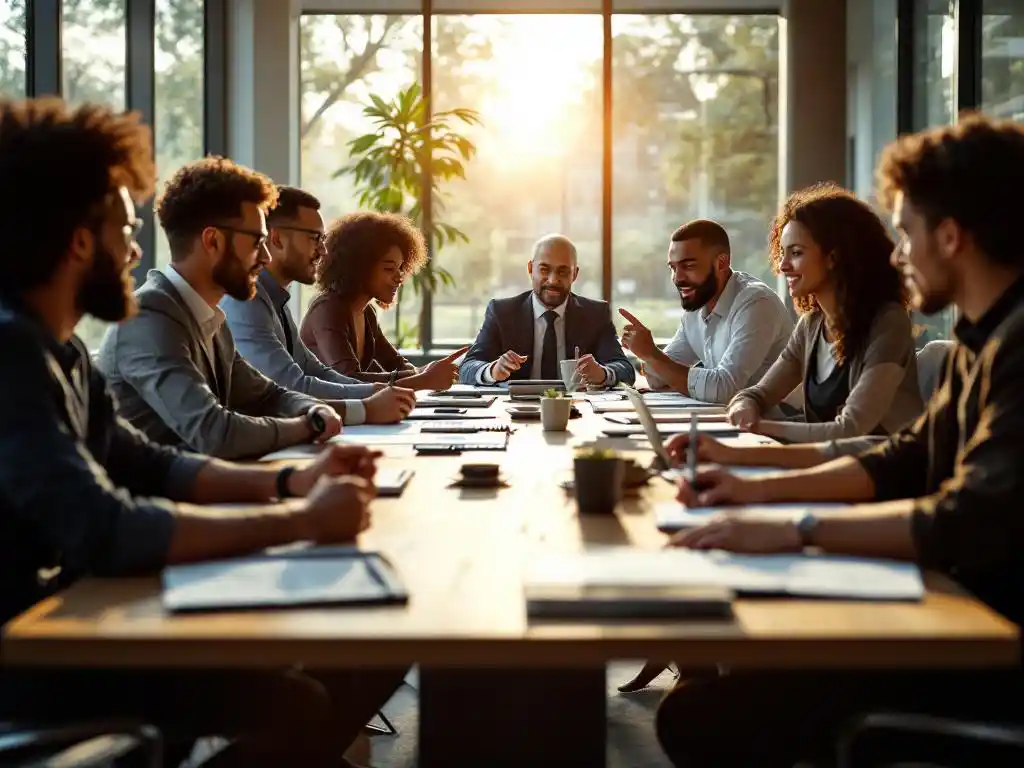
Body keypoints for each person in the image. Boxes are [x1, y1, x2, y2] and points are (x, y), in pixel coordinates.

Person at [0, 97, 405, 768]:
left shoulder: (62, 352)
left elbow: (151, 464)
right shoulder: (12, 353)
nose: (134, 251)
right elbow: (103, 525)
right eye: (124, 230)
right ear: (78, 241)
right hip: (34, 654)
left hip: (85, 618)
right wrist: (298, 518)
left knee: (338, 669)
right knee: (300, 699)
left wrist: (291, 479)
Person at [656, 113, 1024, 768]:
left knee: (703, 716)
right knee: (721, 691)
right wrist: (745, 483)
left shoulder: (1015, 344)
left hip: (988, 641)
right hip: (953, 603)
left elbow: (966, 518)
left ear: (951, 235)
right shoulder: (983, 337)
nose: (898, 253)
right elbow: (904, 457)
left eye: (905, 233)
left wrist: (795, 526)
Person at [97, 158, 344, 461]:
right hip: (166, 501)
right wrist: (308, 426)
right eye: (257, 242)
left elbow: (267, 396)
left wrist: (312, 408)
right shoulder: (148, 317)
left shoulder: (209, 317)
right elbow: (215, 434)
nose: (266, 257)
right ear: (212, 241)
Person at [724, 183, 923, 443]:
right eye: (782, 253)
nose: (783, 266)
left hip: (885, 476)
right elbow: (759, 394)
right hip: (831, 468)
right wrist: (744, 406)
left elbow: (851, 429)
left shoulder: (888, 323)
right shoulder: (811, 326)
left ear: (834, 256)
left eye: (796, 253)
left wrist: (763, 429)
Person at [222, 185, 416, 424]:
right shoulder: (246, 300)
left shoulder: (276, 299)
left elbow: (315, 371)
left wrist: (380, 392)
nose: (323, 251)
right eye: (314, 238)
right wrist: (370, 403)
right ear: (277, 238)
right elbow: (294, 386)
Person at [618, 219, 792, 403]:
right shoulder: (697, 307)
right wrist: (646, 354)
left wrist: (653, 355)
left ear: (721, 263)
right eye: (673, 267)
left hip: (774, 424)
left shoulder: (756, 304)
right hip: (732, 420)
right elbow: (659, 379)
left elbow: (723, 389)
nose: (677, 278)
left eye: (688, 266)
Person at [299, 210, 465, 390]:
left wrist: (427, 372)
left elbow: (396, 365)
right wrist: (422, 378)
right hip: (321, 413)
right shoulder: (328, 309)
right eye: (389, 269)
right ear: (360, 267)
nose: (399, 277)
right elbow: (348, 380)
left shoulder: (366, 312)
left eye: (401, 268)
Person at [459, 234, 635, 386]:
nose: (552, 280)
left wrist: (603, 374)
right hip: (516, 411)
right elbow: (467, 367)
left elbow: (625, 369)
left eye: (563, 272)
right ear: (530, 269)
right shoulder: (501, 312)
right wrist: (492, 370)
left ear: (575, 274)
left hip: (576, 411)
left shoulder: (595, 314)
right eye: (544, 270)